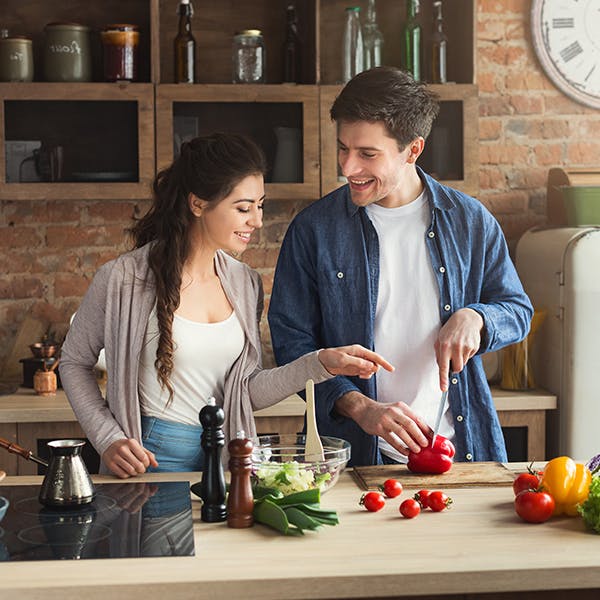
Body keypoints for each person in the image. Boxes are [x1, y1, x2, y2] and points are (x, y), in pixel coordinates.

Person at [60, 133, 393, 478]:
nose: (257, 221)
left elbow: (245, 391)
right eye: (243, 208)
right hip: (151, 459)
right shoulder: (122, 279)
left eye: (259, 206)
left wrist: (320, 363)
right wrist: (107, 438)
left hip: (227, 459)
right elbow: (73, 362)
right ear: (198, 204)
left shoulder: (244, 283)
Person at [268, 67, 533, 467]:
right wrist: (359, 406)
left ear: (413, 149)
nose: (348, 167)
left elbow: (517, 310)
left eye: (367, 154)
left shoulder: (470, 222)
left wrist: (476, 318)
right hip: (352, 458)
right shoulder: (314, 230)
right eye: (343, 148)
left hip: (459, 451)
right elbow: (292, 345)